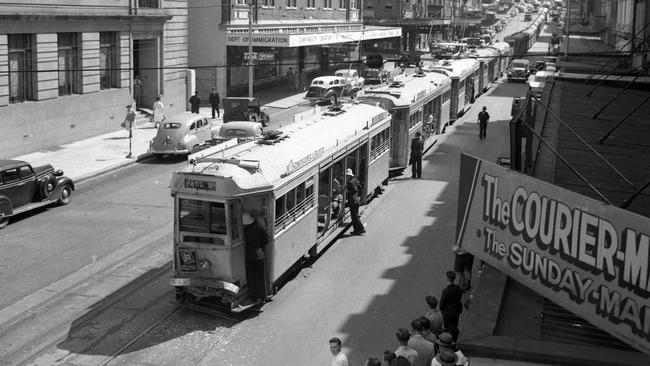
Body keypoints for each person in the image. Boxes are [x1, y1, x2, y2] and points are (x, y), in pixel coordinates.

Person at [243, 212, 268, 302]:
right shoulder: (259, 229)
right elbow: (265, 240)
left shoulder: (244, 232)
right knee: (261, 276)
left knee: (251, 276)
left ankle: (253, 296)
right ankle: (262, 296)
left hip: (249, 257)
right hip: (259, 254)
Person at [345, 168, 365, 235]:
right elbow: (360, 190)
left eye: (347, 176)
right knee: (355, 215)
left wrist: (348, 192)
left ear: (350, 176)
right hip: (356, 201)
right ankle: (359, 229)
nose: (346, 177)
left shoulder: (350, 183)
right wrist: (358, 197)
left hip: (353, 201)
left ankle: (359, 229)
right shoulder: (356, 181)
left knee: (354, 217)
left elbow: (354, 190)